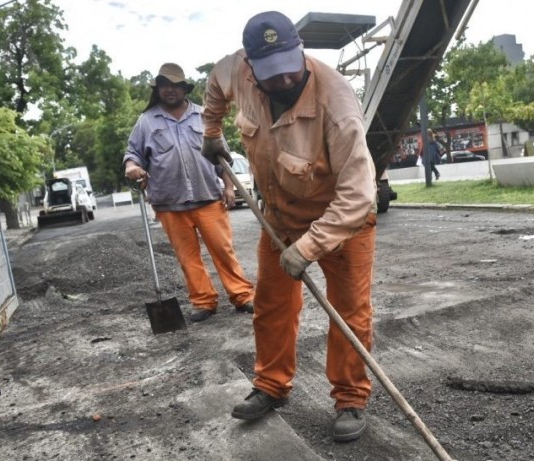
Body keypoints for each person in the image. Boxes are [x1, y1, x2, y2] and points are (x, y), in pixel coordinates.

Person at [201, 11, 378, 442]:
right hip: (279, 219)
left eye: (289, 69)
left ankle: (351, 397)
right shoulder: (234, 71)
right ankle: (271, 385)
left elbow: (358, 196)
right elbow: (213, 85)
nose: (283, 81)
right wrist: (211, 130)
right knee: (271, 306)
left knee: (349, 315)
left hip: (341, 224)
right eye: (271, 74)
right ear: (250, 67)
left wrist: (307, 248)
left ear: (301, 50)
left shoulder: (337, 107)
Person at [123, 63, 255, 323]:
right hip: (169, 202)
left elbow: (222, 155)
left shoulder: (203, 116)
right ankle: (204, 301)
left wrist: (228, 187)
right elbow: (132, 155)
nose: (169, 90)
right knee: (188, 258)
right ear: (158, 89)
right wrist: (132, 168)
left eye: (174, 85)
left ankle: (241, 295)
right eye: (164, 85)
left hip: (207, 197)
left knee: (223, 250)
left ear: (184, 88)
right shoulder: (146, 122)